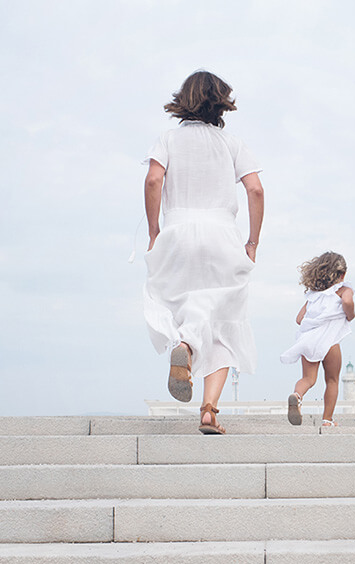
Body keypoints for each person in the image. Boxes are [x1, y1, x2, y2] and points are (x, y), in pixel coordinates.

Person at [142, 70, 264, 435]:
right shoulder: (232, 144)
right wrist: (252, 242)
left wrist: (154, 231)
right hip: (223, 236)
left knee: (178, 302)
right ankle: (209, 408)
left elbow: (152, 180)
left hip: (178, 231)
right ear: (221, 102)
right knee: (225, 322)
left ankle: (184, 343)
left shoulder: (167, 139)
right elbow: (256, 190)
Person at [280, 252, 355, 427]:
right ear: (342, 274)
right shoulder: (344, 289)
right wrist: (349, 315)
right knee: (332, 380)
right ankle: (327, 420)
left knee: (308, 379)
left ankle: (297, 397)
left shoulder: (313, 296)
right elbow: (348, 302)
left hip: (309, 341)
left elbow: (299, 319)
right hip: (330, 342)